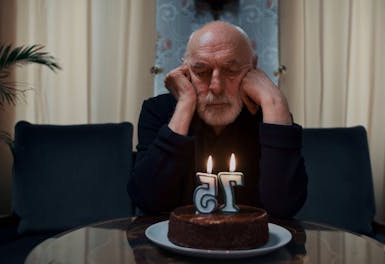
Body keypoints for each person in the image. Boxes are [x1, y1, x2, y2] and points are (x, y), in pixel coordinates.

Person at [127, 21, 307, 218]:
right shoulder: (158, 111)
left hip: (253, 246)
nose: (216, 87)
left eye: (231, 70)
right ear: (185, 71)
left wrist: (275, 102)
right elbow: (147, 200)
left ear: (253, 68)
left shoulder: (271, 116)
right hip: (174, 245)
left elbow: (284, 208)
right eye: (201, 71)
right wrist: (185, 104)